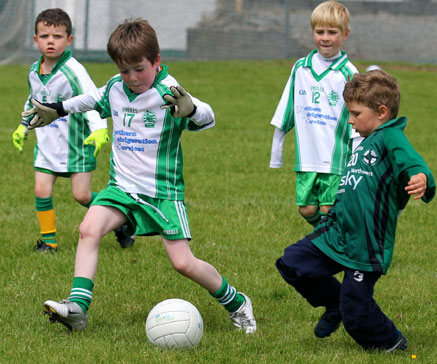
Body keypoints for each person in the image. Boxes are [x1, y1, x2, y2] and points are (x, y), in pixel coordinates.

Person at [24, 18, 257, 334]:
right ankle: (78, 308)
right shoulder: (116, 87)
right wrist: (59, 108)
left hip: (161, 193)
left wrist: (191, 110)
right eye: (124, 70)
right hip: (121, 187)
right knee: (88, 229)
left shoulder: (169, 91)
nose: (131, 78)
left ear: (157, 61)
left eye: (139, 69)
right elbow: (91, 98)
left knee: (183, 263)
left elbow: (208, 117)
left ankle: (237, 303)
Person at [275, 70, 436, 351]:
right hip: (336, 230)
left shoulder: (390, 137)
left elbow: (414, 163)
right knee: (292, 263)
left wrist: (420, 178)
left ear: (382, 112)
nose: (350, 120)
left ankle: (391, 342)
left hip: (366, 241)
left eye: (356, 113)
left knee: (357, 312)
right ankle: (334, 304)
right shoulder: (363, 140)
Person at [12, 8, 134, 251]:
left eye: (57, 36)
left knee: (82, 196)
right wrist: (23, 125)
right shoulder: (33, 71)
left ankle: (122, 218)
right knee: (41, 189)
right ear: (35, 40)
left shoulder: (73, 70)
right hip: (47, 145)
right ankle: (49, 242)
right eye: (44, 36)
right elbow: (34, 100)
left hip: (76, 144)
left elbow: (92, 100)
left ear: (69, 40)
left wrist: (99, 129)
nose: (50, 41)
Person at [269, 0, 361, 227]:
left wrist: (358, 154)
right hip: (306, 157)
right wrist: (276, 154)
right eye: (320, 32)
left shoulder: (349, 73)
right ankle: (330, 238)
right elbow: (285, 110)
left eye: (332, 32)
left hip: (336, 157)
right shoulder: (301, 68)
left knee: (329, 207)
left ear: (345, 34)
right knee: (307, 208)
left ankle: (331, 245)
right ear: (313, 32)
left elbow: (359, 116)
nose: (325, 37)